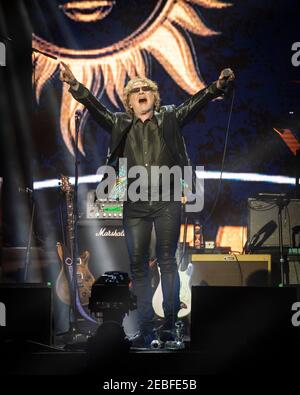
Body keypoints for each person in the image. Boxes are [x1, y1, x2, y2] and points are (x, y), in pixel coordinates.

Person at [60, 62, 234, 348]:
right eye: (135, 91)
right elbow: (95, 106)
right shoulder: (119, 121)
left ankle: (170, 327)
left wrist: (218, 85)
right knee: (138, 267)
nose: (141, 93)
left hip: (166, 199)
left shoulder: (169, 117)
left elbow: (196, 102)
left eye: (147, 90)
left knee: (167, 261)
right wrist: (75, 85)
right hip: (135, 201)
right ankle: (146, 330)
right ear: (129, 101)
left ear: (155, 97)